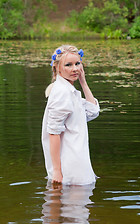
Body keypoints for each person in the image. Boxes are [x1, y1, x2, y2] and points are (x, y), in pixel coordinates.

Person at [41, 44, 100, 186]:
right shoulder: (62, 92)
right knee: (74, 206)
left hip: (78, 159)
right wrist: (56, 170)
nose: (75, 69)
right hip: (70, 166)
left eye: (77, 63)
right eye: (68, 65)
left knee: (78, 206)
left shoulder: (70, 91)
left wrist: (83, 82)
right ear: (57, 68)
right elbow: (53, 132)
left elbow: (93, 112)